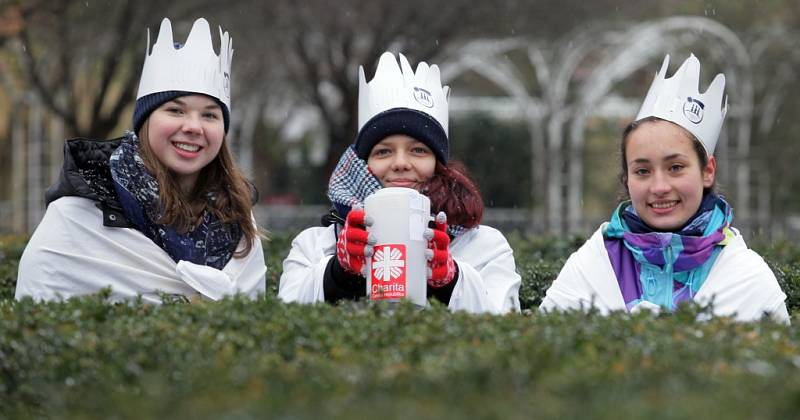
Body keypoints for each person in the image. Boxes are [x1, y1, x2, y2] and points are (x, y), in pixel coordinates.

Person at [15, 18, 266, 303]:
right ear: (146, 122)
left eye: (210, 114)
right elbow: (38, 308)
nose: (194, 126)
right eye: (175, 110)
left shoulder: (238, 220)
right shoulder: (80, 214)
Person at [540, 54, 789, 323]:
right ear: (627, 179)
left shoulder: (748, 277)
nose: (659, 187)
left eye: (675, 167)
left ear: (707, 171)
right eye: (642, 171)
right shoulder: (591, 264)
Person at [279, 52, 520, 314]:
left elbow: (505, 325)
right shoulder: (315, 245)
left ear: (438, 164)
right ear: (363, 163)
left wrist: (450, 283)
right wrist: (339, 274)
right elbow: (283, 323)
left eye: (418, 150)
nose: (400, 163)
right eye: (383, 151)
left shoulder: (485, 246)